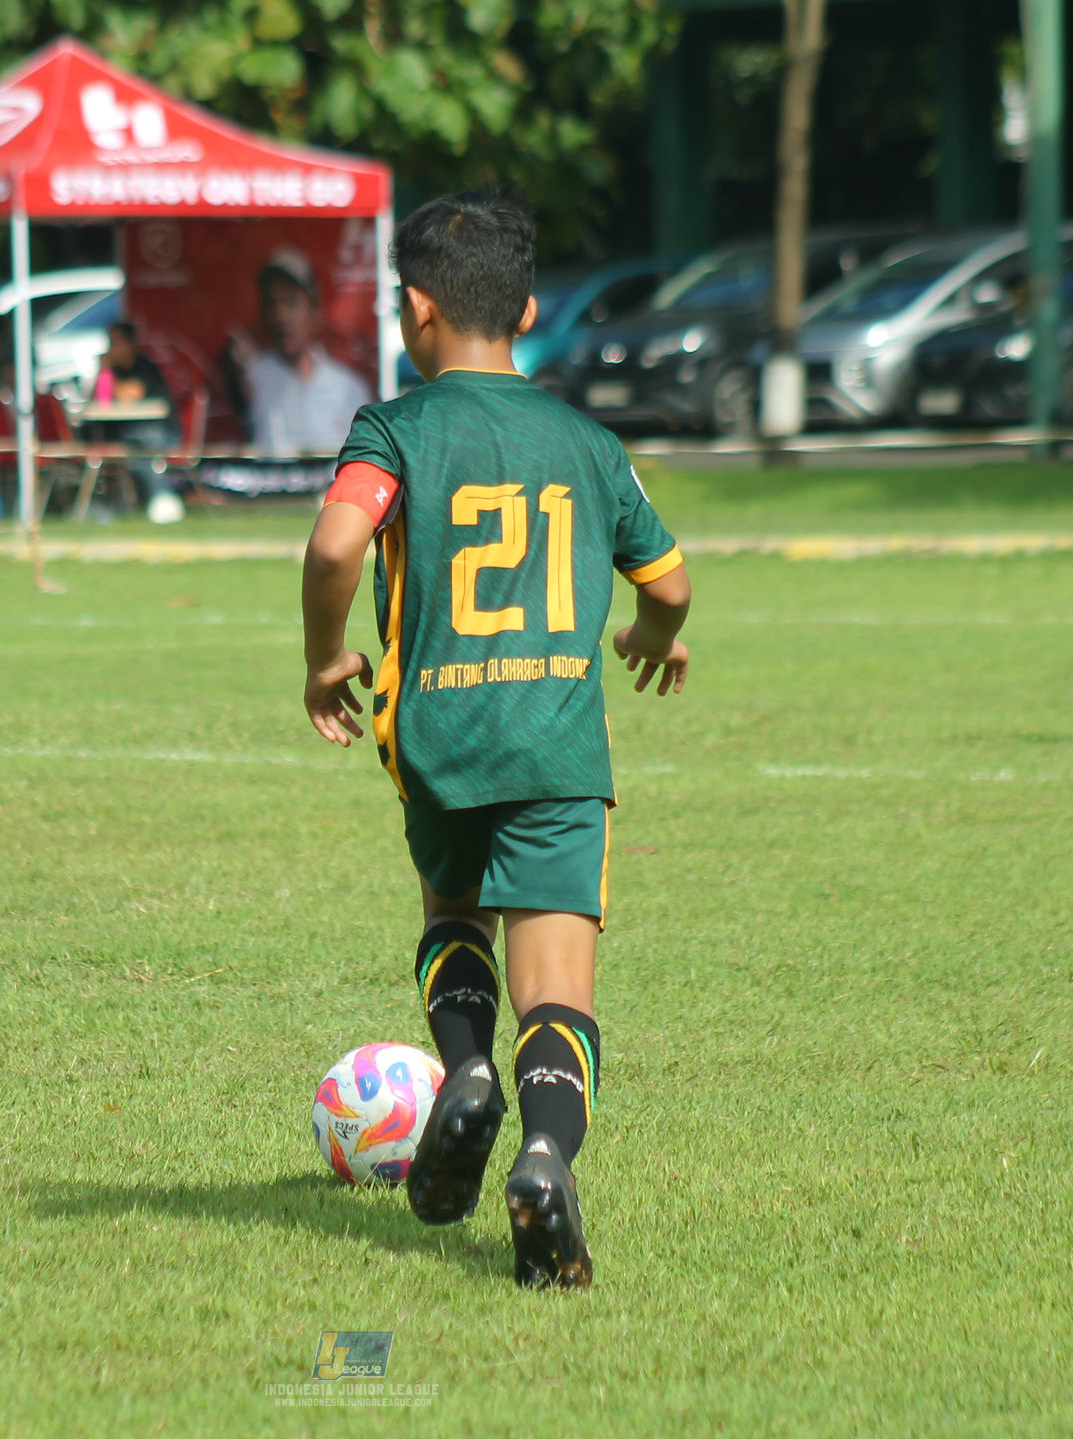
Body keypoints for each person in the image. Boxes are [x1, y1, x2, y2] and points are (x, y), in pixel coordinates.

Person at [299, 191, 691, 1290]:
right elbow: (668, 580)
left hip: (438, 736)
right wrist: (650, 634)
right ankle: (543, 1152)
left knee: (450, 917)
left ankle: (465, 1072)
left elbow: (336, 544)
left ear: (414, 308)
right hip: (558, 751)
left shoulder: (396, 429)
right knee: (557, 987)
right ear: (522, 307)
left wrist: (324, 657)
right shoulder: (584, 440)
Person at [230, 247, 372, 461]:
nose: (281, 316)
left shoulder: (348, 388)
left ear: (314, 312)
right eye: (273, 304)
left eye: (291, 302)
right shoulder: (252, 378)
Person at [91, 321, 184, 523]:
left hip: (161, 434)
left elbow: (128, 396)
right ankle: (157, 501)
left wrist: (108, 370)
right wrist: (102, 373)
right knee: (135, 448)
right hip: (128, 435)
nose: (111, 349)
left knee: (144, 447)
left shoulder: (145, 367)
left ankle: (160, 500)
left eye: (115, 342)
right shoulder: (113, 372)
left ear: (130, 344)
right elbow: (98, 400)